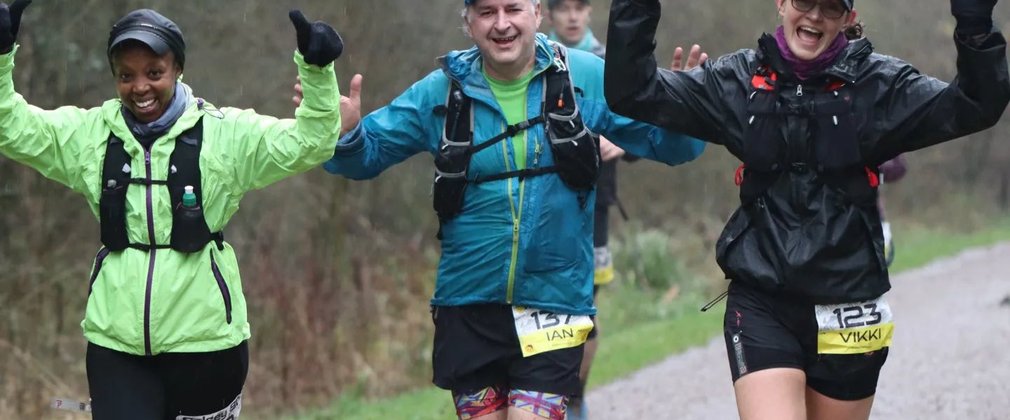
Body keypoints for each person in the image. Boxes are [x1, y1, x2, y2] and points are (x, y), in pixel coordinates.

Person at [604, 0, 1008, 419]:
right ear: (781, 4)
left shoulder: (881, 87)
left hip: (849, 299)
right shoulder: (737, 80)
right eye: (804, 2)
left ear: (849, 18)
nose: (815, 15)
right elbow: (633, 91)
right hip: (762, 297)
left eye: (831, 6)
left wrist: (974, 19)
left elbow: (976, 105)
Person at [318, 1, 703, 418]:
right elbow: (363, 157)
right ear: (467, 23)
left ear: (537, 14)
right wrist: (344, 133)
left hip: (553, 302)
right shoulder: (441, 91)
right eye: (486, 12)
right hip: (468, 305)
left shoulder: (585, 76)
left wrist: (681, 109)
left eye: (513, 8)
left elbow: (670, 146)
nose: (501, 24)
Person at [0, 3, 344, 419]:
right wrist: (2, 54)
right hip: (117, 345)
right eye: (126, 76)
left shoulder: (225, 136)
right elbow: (11, 127)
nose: (139, 87)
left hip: (208, 345)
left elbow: (311, 142)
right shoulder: (88, 137)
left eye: (153, 72)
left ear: (177, 68)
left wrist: (317, 70)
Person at [542, 1, 706, 418]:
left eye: (580, 7)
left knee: (584, 310)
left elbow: (642, 130)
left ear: (591, 12)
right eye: (564, 9)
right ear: (549, 14)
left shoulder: (606, 59)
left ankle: (575, 395)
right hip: (540, 202)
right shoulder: (532, 56)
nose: (573, 16)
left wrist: (620, 144)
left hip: (595, 205)